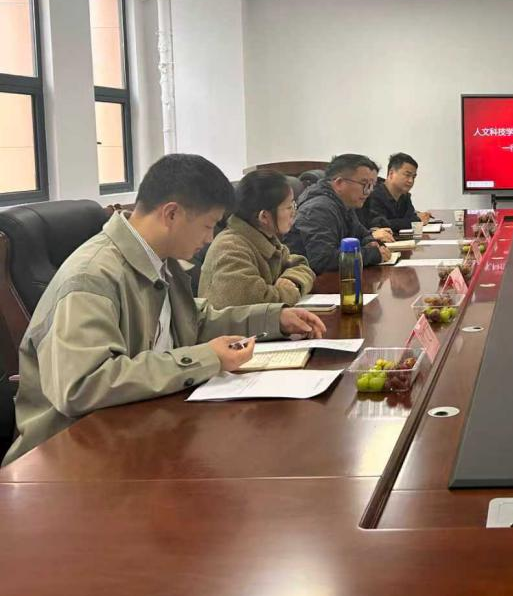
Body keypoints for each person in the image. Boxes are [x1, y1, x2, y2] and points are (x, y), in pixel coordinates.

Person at [3, 154, 326, 466]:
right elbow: (83, 385)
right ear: (171, 214)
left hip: (140, 428)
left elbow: (193, 322)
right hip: (73, 457)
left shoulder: (161, 261)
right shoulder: (93, 277)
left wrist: (274, 318)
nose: (210, 238)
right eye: (207, 225)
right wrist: (205, 358)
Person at [199, 170, 316, 309]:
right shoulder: (231, 249)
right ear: (264, 216)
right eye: (289, 207)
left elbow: (300, 265)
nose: (294, 212)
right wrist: (289, 291)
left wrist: (290, 280)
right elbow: (256, 303)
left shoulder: (265, 238)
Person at [286, 154, 393, 274]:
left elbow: (362, 234)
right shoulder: (318, 209)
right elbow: (323, 261)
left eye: (372, 185)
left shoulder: (343, 204)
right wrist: (372, 254)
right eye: (364, 184)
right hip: (312, 281)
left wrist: (370, 242)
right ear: (339, 183)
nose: (368, 191)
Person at [364, 152, 433, 233]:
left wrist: (416, 218)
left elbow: (409, 217)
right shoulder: (374, 193)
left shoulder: (404, 195)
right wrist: (416, 220)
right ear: (391, 173)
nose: (411, 181)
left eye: (413, 177)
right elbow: (378, 224)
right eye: (407, 175)